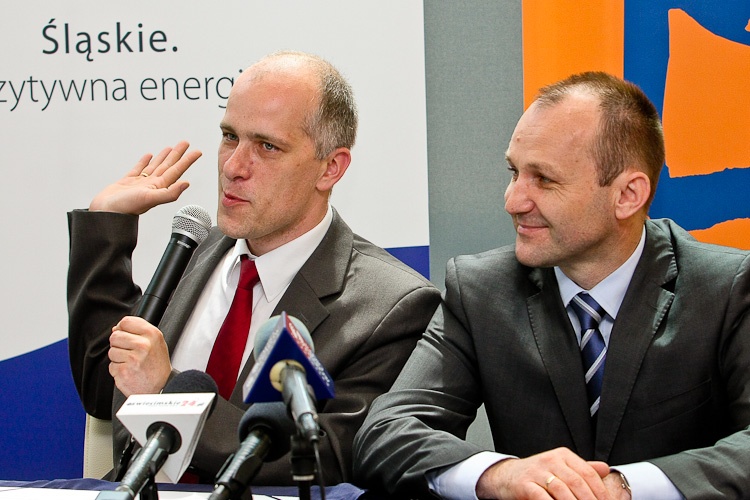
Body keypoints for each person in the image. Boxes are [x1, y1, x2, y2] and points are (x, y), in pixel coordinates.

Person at [353, 71, 750, 499]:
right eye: (514, 172)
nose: (513, 201)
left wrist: (623, 487)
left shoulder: (727, 288)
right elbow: (386, 433)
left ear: (627, 195)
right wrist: (502, 475)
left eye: (544, 179)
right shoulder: (479, 290)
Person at [67, 50, 440, 485]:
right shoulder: (197, 247)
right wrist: (107, 224)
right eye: (230, 137)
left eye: (267, 146)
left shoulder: (391, 305)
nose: (232, 167)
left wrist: (168, 392)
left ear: (330, 168)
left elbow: (332, 458)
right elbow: (105, 390)